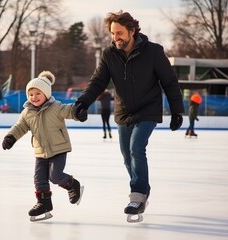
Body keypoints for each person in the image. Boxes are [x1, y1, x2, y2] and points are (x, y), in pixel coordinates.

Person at [73, 11, 184, 219]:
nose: (116, 38)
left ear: (132, 31)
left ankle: (138, 196)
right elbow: (98, 82)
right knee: (127, 155)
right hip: (123, 112)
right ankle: (142, 190)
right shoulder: (109, 54)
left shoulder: (154, 52)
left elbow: (169, 81)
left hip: (148, 110)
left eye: (120, 33)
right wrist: (83, 103)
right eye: (113, 34)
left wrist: (177, 110)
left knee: (136, 149)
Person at [2, 71, 83, 221]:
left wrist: (78, 112)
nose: (34, 97)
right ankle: (44, 203)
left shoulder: (56, 106)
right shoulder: (27, 112)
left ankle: (72, 185)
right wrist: (11, 137)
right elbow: (20, 126)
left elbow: (68, 110)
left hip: (58, 148)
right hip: (40, 151)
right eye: (31, 94)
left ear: (46, 93)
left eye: (38, 93)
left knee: (55, 176)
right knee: (39, 179)